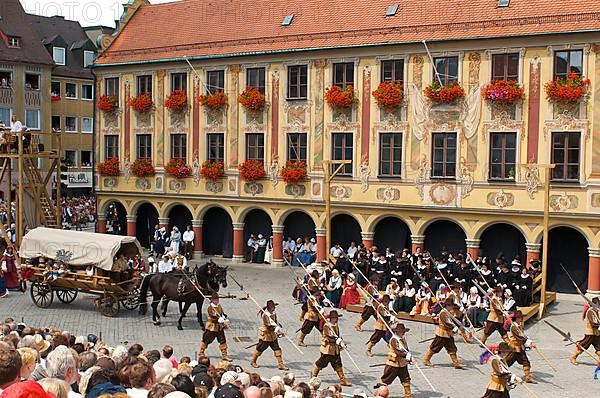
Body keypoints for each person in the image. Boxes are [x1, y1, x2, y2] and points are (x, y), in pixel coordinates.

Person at [423, 299, 465, 369]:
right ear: (448, 306)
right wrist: (453, 328)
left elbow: (454, 320)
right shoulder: (443, 313)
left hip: (448, 334)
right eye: (451, 306)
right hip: (442, 333)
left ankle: (456, 363)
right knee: (435, 347)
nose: (453, 307)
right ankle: (426, 359)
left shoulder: (449, 312)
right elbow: (446, 324)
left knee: (452, 348)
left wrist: (460, 321)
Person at [311, 310, 351, 387]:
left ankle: (343, 380)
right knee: (321, 363)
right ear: (331, 318)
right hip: (328, 348)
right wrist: (337, 340)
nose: (335, 319)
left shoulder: (336, 325)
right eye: (334, 318)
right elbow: (329, 337)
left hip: (335, 349)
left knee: (338, 363)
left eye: (336, 318)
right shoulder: (326, 326)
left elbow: (338, 335)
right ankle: (313, 375)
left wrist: (341, 342)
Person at [250, 300, 288, 370]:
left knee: (277, 348)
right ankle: (253, 361)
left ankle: (280, 364)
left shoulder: (273, 313)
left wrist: (280, 328)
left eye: (274, 307)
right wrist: (278, 330)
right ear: (269, 307)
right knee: (260, 348)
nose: (274, 309)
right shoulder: (265, 315)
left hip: (273, 335)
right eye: (272, 307)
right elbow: (270, 327)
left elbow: (275, 322)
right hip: (266, 335)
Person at [380, 323, 412, 398]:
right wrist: (406, 355)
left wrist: (409, 357)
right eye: (402, 331)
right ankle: (380, 394)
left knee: (406, 379)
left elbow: (406, 349)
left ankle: (408, 395)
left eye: (404, 331)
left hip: (402, 363)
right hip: (393, 363)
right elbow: (397, 352)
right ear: (397, 332)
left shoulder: (402, 339)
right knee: (386, 379)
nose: (403, 332)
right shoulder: (394, 340)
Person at [505, 311, 537, 384]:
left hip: (520, 348)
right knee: (506, 362)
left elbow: (523, 336)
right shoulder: (513, 327)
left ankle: (528, 377)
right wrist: (529, 344)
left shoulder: (518, 326)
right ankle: (499, 373)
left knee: (525, 362)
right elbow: (519, 338)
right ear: (517, 318)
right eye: (521, 317)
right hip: (514, 347)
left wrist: (530, 342)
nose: (522, 318)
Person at [199, 292, 231, 361]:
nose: (217, 301)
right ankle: (201, 352)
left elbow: (222, 314)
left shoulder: (219, 306)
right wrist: (222, 320)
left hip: (219, 327)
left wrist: (225, 319)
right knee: (206, 339)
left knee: (222, 340)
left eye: (218, 299)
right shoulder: (210, 308)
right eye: (215, 300)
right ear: (212, 300)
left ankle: (224, 355)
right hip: (212, 327)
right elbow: (214, 317)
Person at [570, 297, 600, 365]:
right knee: (583, 345)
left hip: (596, 333)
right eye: (597, 304)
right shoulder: (590, 311)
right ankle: (573, 357)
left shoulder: (596, 311)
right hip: (590, 332)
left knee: (599, 346)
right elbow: (593, 323)